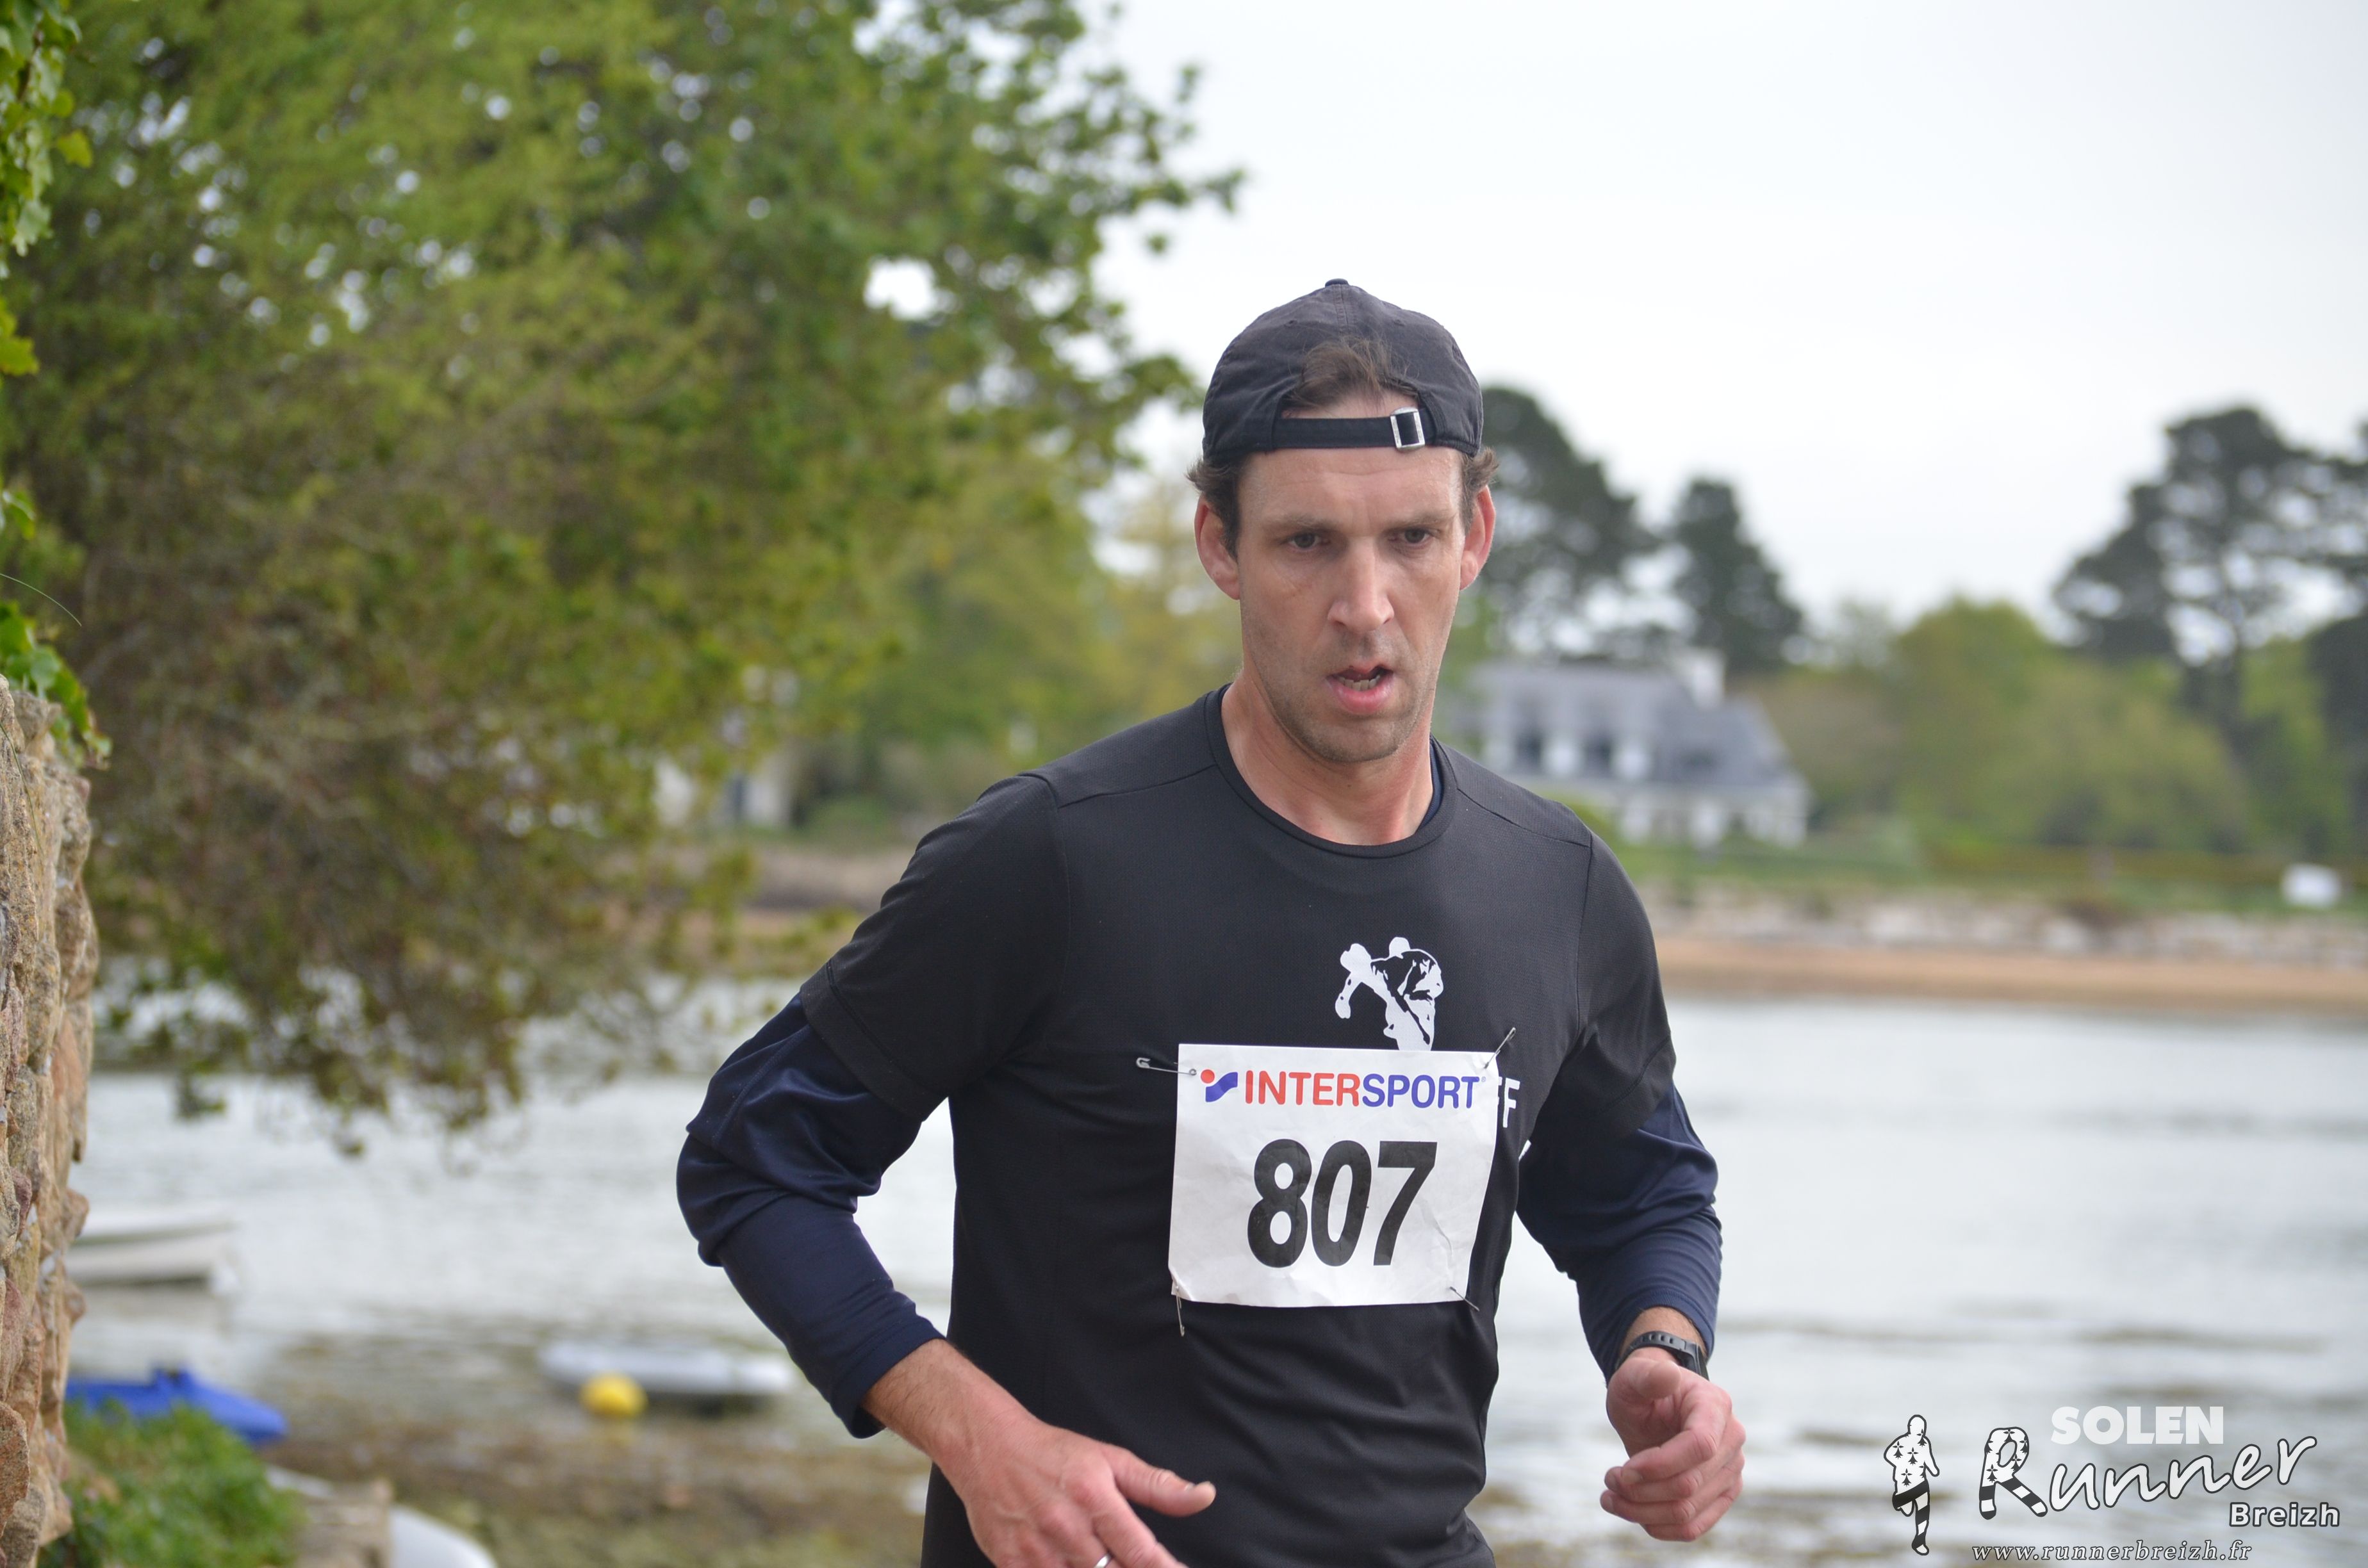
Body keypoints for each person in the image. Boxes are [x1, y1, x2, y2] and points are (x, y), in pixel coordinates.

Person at [680, 281, 1743, 1568]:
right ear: (1220, 546)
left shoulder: (1555, 885)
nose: (1366, 605)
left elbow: (1639, 1193)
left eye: (1410, 538)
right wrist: (977, 1436)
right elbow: (756, 1159)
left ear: (1475, 537)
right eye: (1307, 544)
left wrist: (1660, 1349)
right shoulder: (1052, 856)